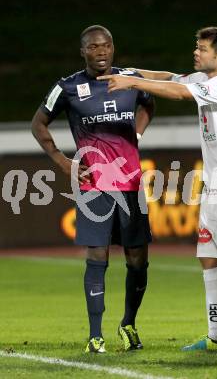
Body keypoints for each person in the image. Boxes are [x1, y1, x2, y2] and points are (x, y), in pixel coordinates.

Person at [99, 26, 217, 351]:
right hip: (215, 185)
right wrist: (127, 71)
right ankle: (216, 335)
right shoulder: (203, 80)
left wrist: (131, 82)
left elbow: (178, 93)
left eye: (202, 48)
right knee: (209, 256)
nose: (196, 52)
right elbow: (170, 77)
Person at [31, 25, 154, 353]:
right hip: (94, 185)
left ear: (113, 48)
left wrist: (137, 135)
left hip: (131, 184)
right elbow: (38, 122)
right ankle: (95, 335)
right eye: (94, 47)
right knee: (97, 256)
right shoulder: (68, 87)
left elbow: (149, 104)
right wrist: (62, 161)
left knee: (138, 259)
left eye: (106, 46)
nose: (101, 51)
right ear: (83, 51)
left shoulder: (130, 79)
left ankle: (128, 323)